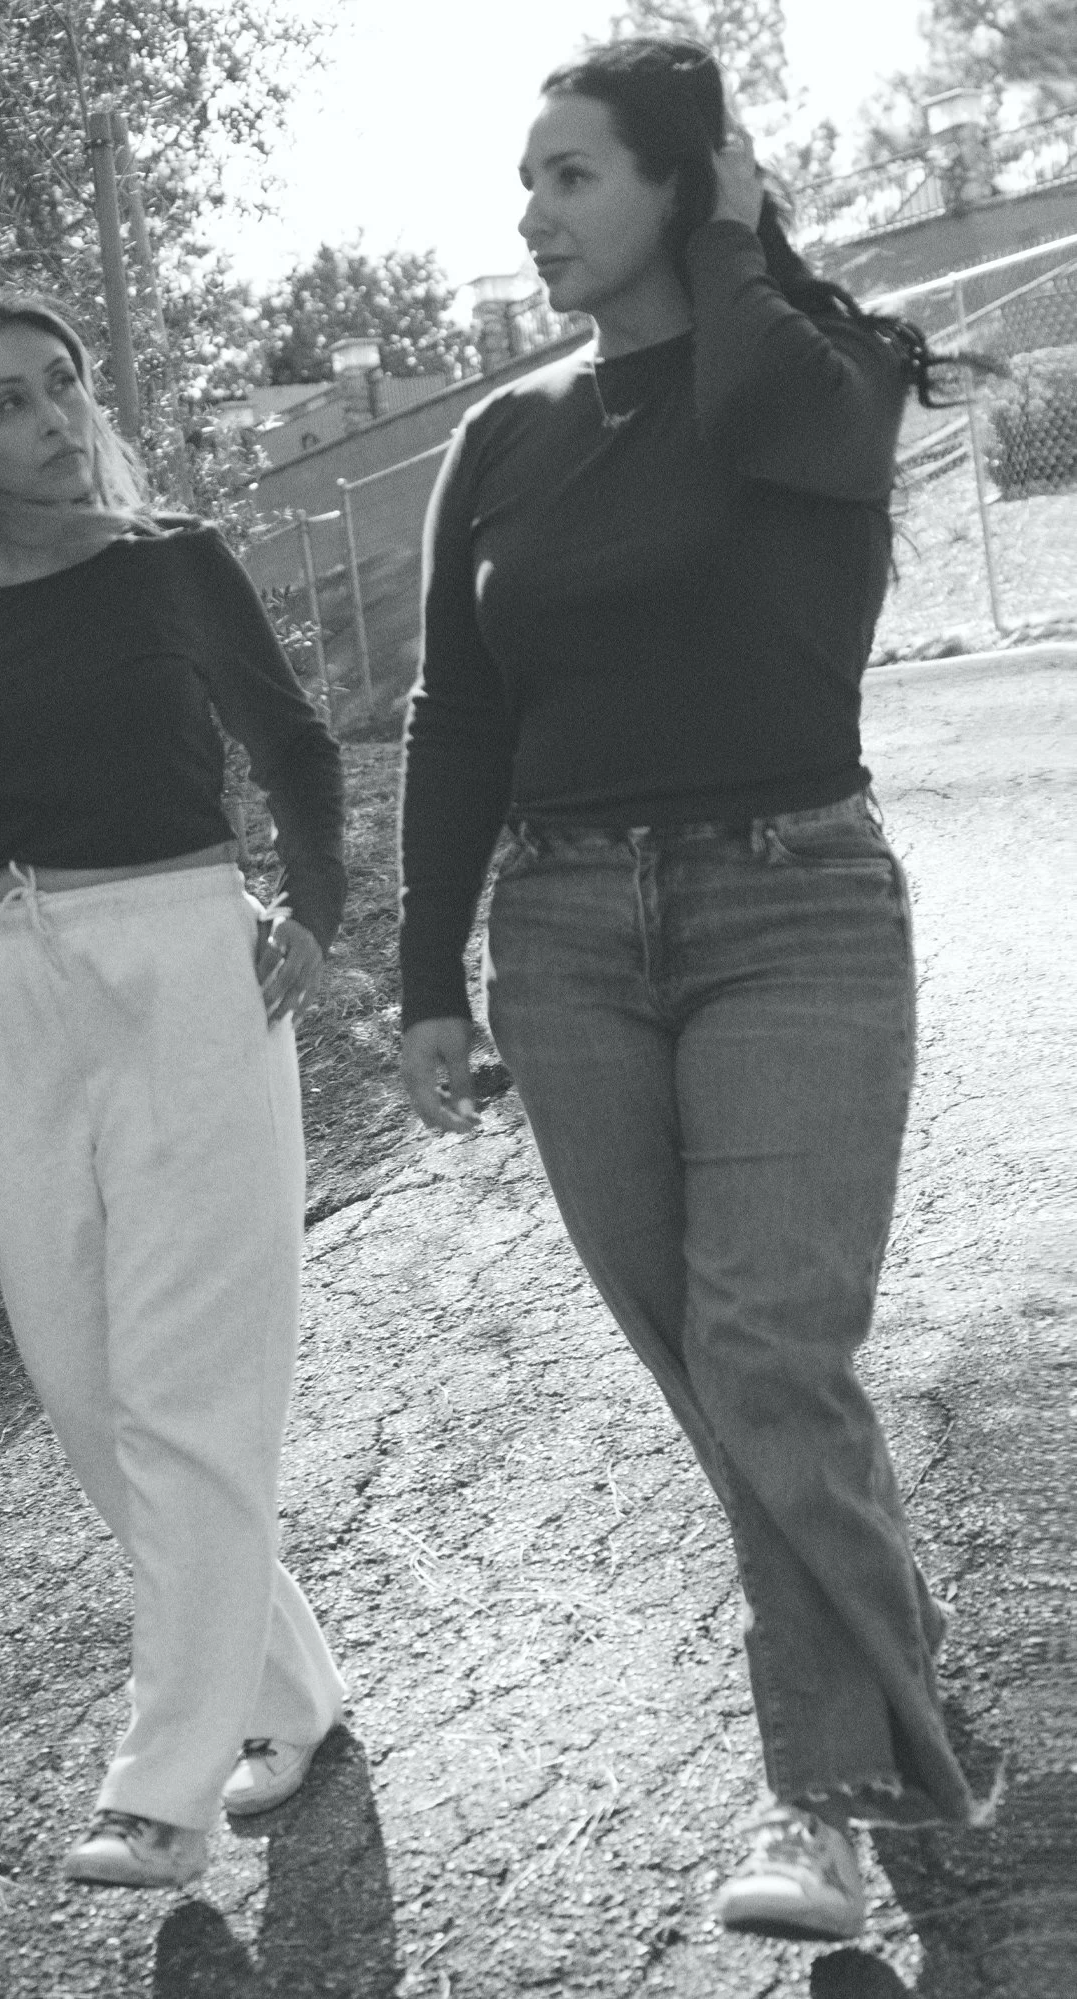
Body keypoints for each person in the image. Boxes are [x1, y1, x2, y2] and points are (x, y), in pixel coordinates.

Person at [399, 38, 994, 1945]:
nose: (533, 212)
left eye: (574, 173)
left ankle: (826, 1800)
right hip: (565, 934)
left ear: (685, 182)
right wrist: (426, 975)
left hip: (792, 906)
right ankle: (883, 1687)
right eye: (527, 179)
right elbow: (456, 715)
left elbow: (762, 411)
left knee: (765, 1353)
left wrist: (738, 248)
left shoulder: (825, 372)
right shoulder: (504, 439)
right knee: (712, 1371)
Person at [0, 284, 347, 1889]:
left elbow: (295, 746)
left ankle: (162, 1788)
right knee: (86, 1393)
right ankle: (288, 1692)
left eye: (63, 383)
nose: (57, 417)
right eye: (10, 400)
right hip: (11, 995)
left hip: (189, 968)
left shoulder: (173, 563)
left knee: (186, 1388)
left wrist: (315, 908)